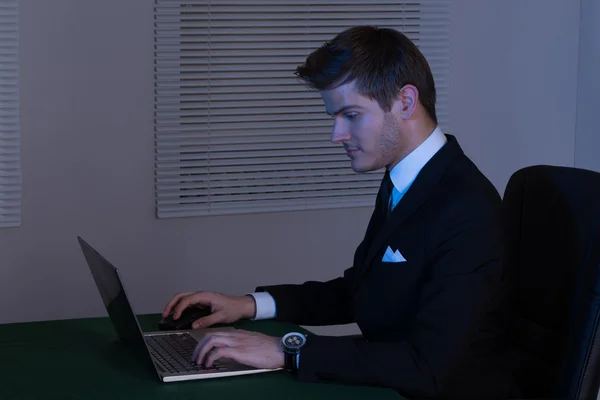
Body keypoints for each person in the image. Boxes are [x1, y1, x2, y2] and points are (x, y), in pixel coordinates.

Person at [163, 26, 515, 398]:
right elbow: (363, 291)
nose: (337, 135)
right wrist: (250, 305)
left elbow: (427, 366)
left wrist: (286, 350)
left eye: (351, 115)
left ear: (406, 102)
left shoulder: (466, 207)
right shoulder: (405, 179)